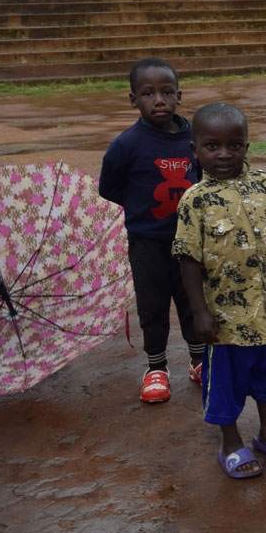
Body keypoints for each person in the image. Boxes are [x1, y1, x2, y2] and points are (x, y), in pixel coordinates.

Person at [172, 102, 266, 479]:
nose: (224, 154)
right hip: (225, 321)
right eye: (212, 146)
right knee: (226, 386)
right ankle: (231, 443)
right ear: (194, 150)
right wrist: (198, 311)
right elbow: (188, 259)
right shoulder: (194, 202)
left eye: (235, 145)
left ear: (247, 145)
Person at [98, 57, 204, 403]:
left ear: (179, 96)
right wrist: (141, 209)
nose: (158, 100)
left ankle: (200, 360)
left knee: (193, 301)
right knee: (153, 305)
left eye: (166, 92)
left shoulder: (195, 138)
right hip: (147, 244)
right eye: (148, 93)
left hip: (190, 242)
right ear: (133, 100)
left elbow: (205, 180)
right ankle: (156, 368)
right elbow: (109, 187)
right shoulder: (127, 144)